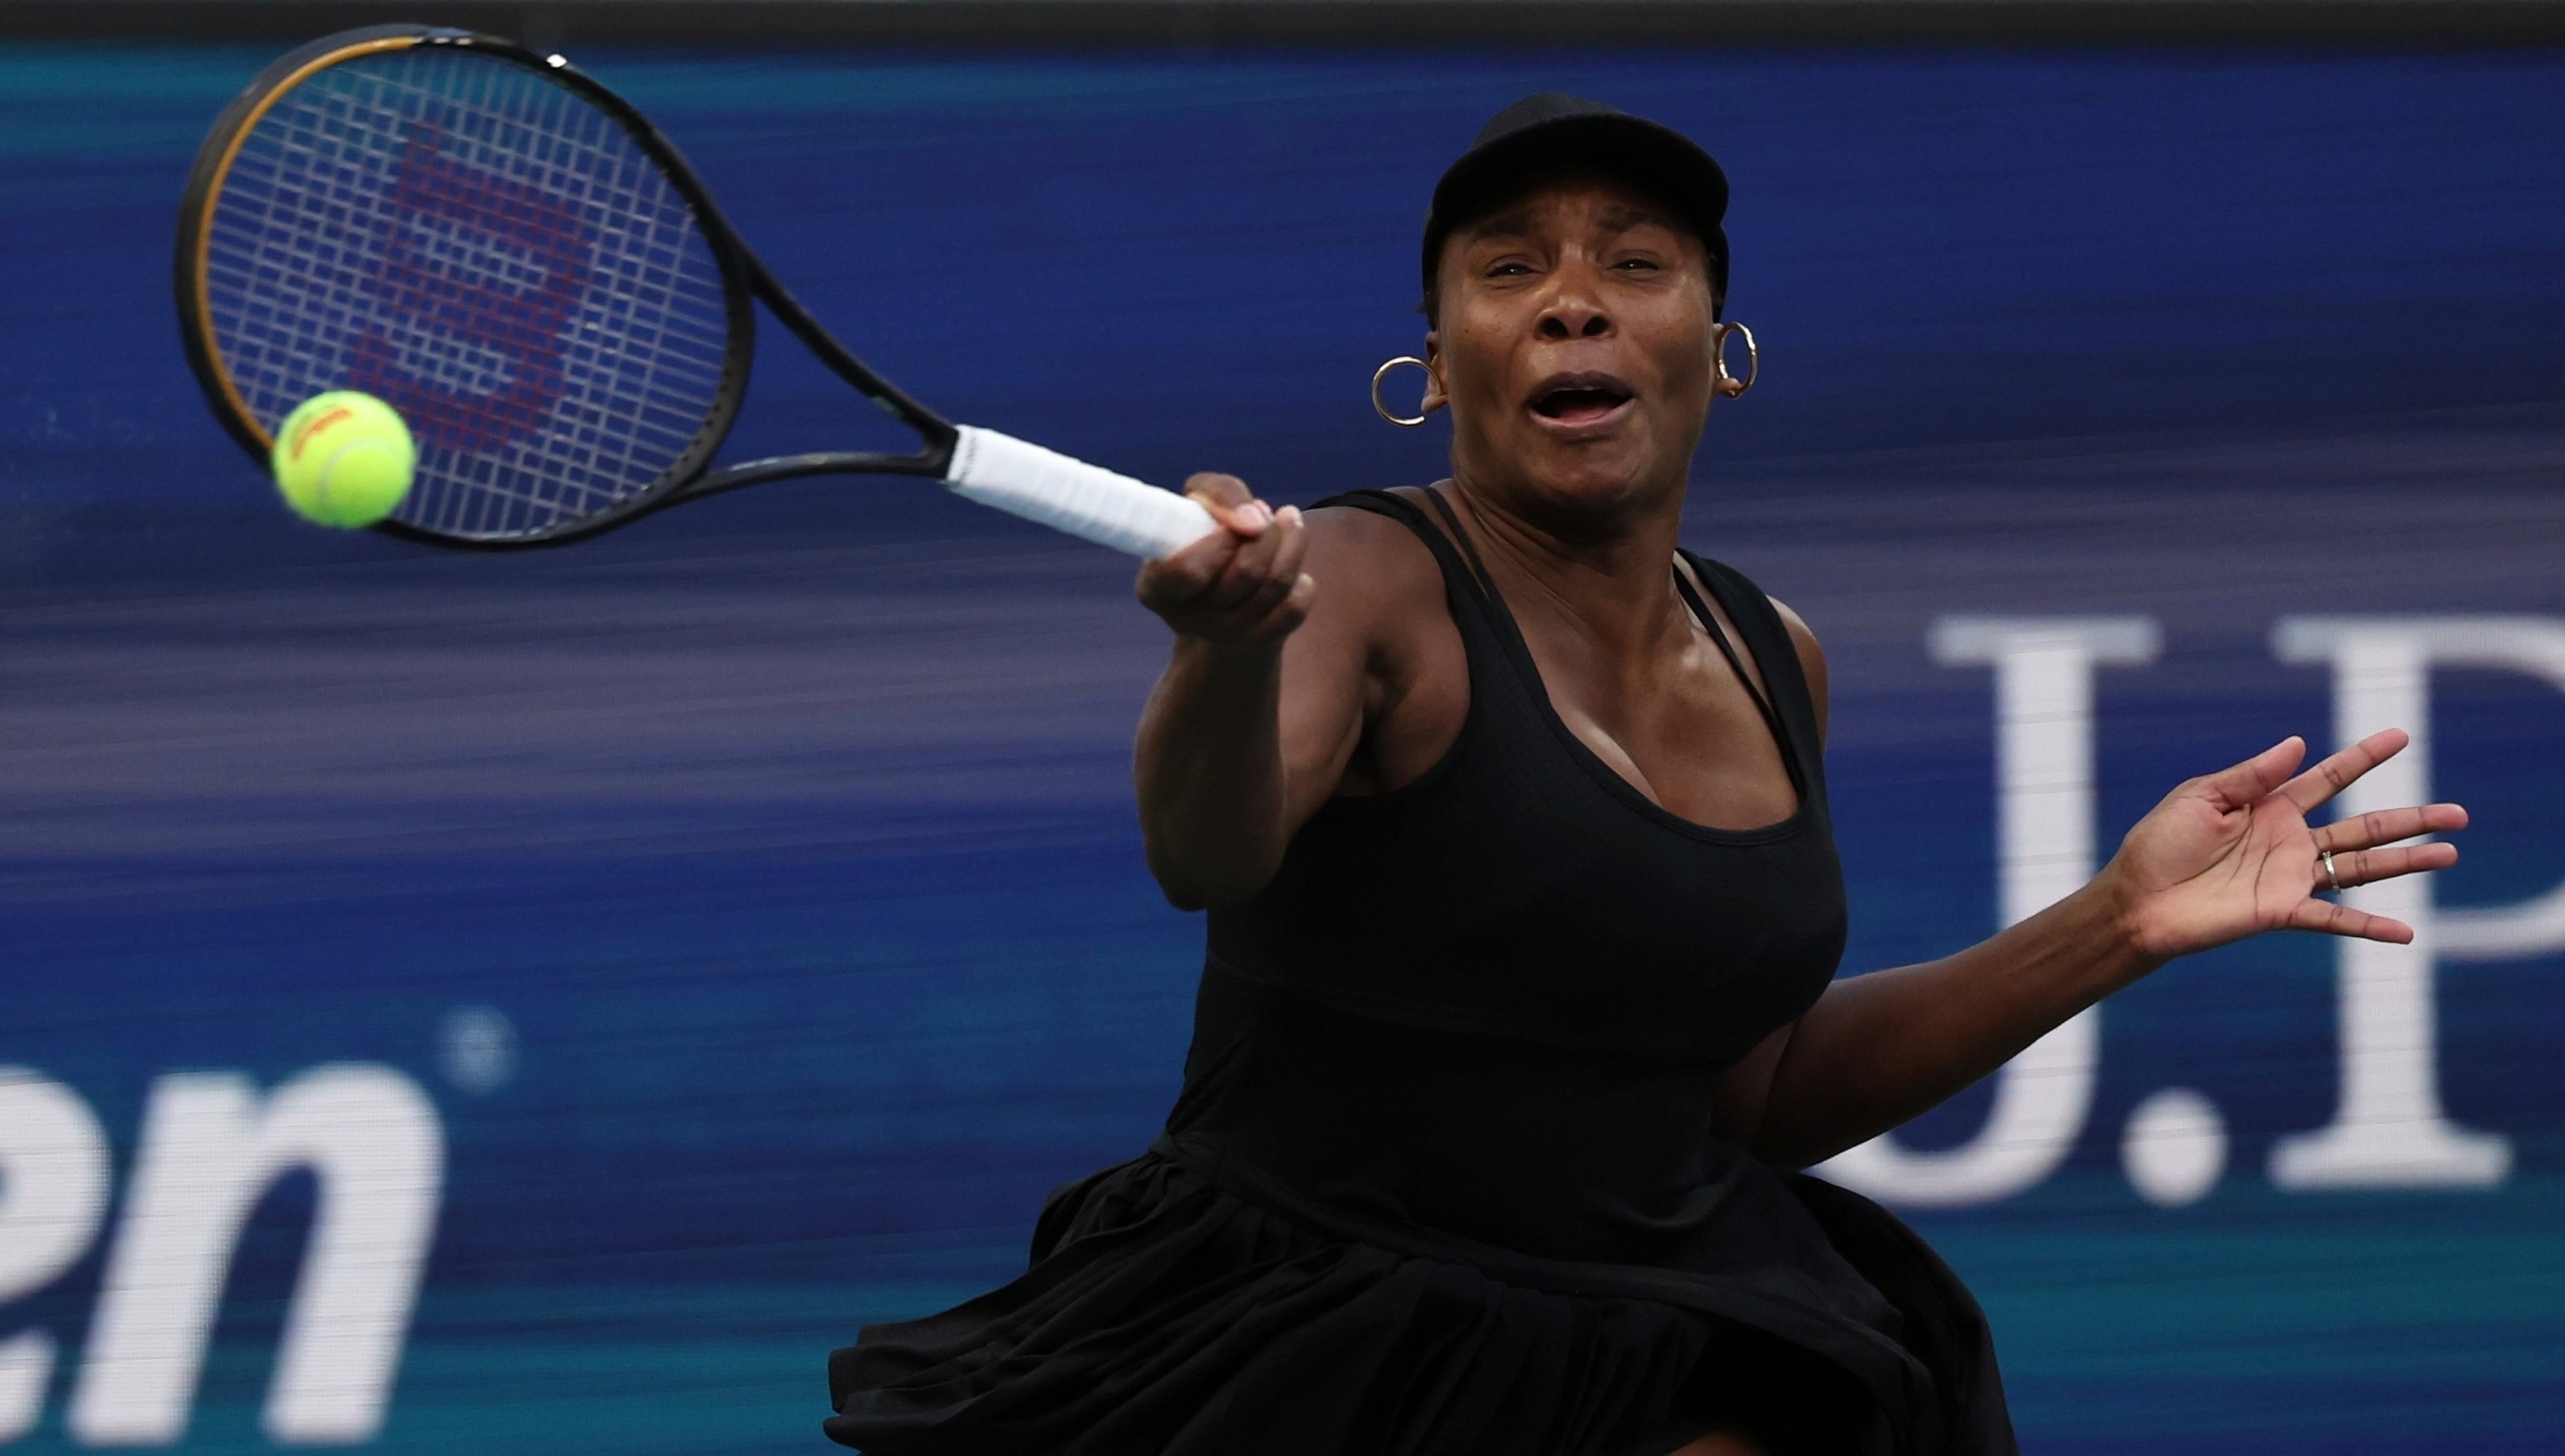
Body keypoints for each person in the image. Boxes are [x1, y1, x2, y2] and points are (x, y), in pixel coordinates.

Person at [824, 94, 2465, 1456]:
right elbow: (1209, 847)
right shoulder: (1363, 574)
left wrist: (2114, 920)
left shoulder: (1774, 652)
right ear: (1441, 357)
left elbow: (1753, 1101)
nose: (1572, 298)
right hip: (1318, 1337)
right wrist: (1228, 649)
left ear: (1716, 345)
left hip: (1651, 1320)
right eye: (1509, 268)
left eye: (1636, 262)